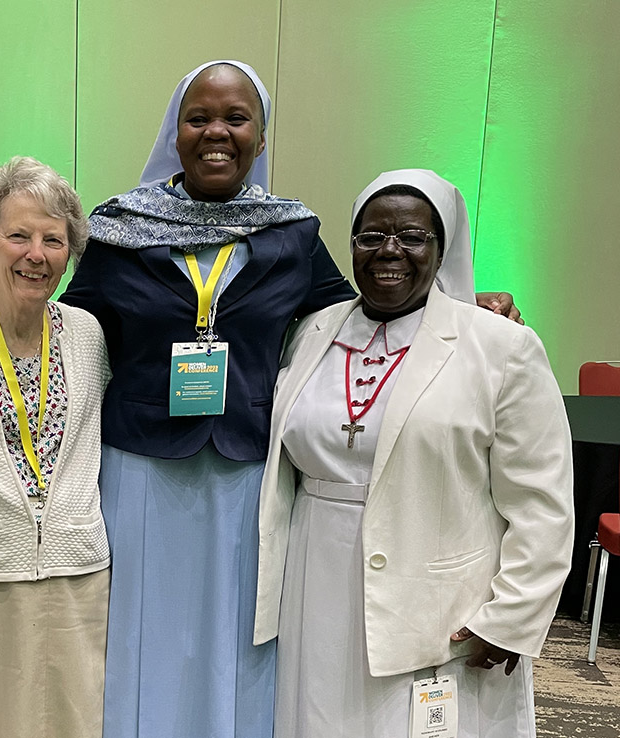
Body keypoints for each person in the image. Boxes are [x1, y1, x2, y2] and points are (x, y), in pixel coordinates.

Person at [61, 60, 523, 738]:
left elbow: (370, 312)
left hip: (249, 479)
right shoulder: (118, 229)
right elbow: (67, 329)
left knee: (239, 640)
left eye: (236, 118)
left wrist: (466, 307)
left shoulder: (292, 234)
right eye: (200, 118)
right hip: (142, 476)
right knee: (144, 630)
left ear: (261, 135)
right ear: (176, 130)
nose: (217, 131)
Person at [256, 169, 573, 737]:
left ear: (441, 247)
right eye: (370, 236)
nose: (389, 251)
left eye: (412, 236)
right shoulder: (312, 331)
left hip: (441, 599)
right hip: (316, 583)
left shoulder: (501, 346)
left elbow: (543, 502)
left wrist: (510, 617)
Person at [0, 157, 111, 738]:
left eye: (53, 240)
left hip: (78, 572)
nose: (36, 254)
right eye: (18, 236)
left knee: (78, 722)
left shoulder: (89, 333)